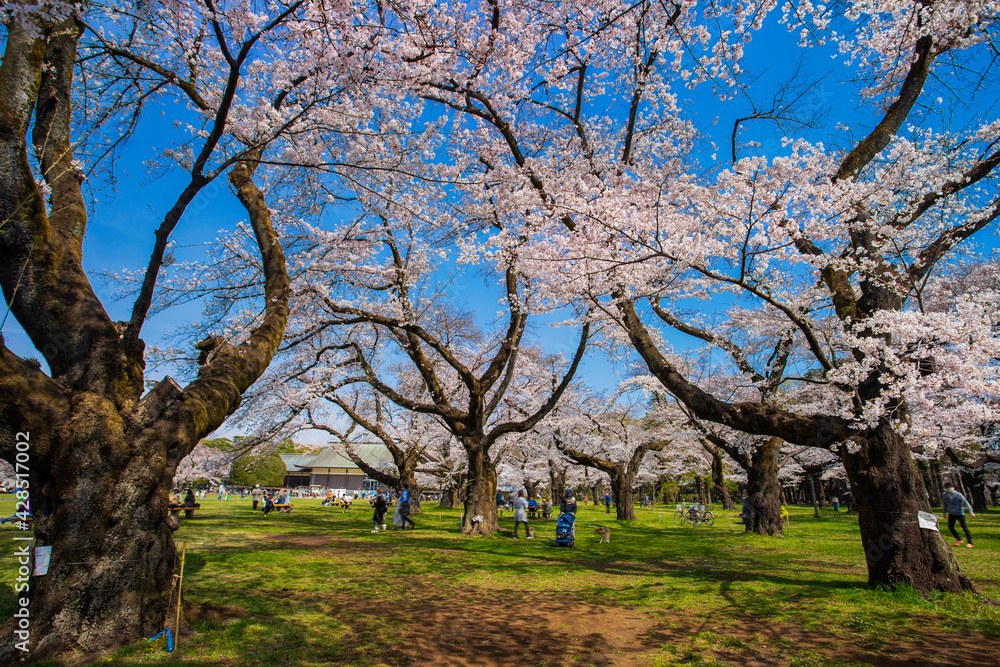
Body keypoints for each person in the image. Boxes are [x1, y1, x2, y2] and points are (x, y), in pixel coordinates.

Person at [942, 483, 975, 548]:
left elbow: (966, 503)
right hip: (951, 513)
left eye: (950, 487)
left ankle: (970, 542)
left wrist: (971, 511)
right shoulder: (945, 495)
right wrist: (944, 513)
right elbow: (944, 504)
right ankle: (959, 539)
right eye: (948, 488)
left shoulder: (958, 495)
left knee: (964, 528)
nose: (950, 489)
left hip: (960, 513)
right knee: (950, 527)